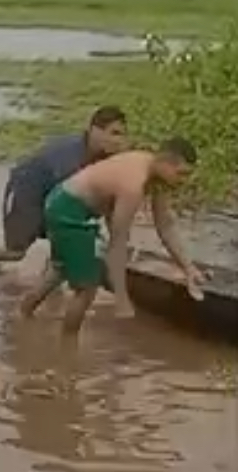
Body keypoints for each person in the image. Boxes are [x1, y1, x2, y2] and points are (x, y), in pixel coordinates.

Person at [20, 139, 202, 338]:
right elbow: (118, 241)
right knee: (87, 288)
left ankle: (22, 316)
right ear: (165, 162)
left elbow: (165, 226)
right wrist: (121, 298)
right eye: (181, 173)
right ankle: (67, 353)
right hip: (68, 211)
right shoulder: (134, 183)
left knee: (58, 269)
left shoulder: (156, 176)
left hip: (63, 202)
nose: (184, 180)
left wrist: (188, 268)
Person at [0, 106, 128, 266]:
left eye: (122, 135)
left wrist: (117, 241)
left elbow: (110, 200)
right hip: (24, 193)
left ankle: (49, 282)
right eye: (113, 133)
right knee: (15, 253)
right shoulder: (69, 159)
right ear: (94, 130)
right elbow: (70, 206)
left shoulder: (104, 157)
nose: (118, 141)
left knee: (67, 244)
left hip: (53, 195)